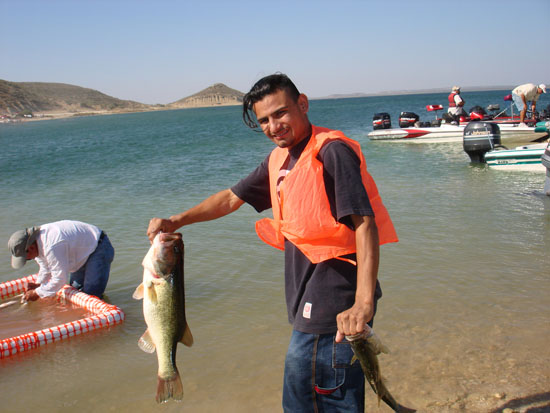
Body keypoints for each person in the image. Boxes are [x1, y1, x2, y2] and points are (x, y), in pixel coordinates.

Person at [147, 73, 398, 412]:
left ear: (303, 104)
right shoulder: (279, 159)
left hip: (334, 300)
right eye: (264, 120)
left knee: (320, 402)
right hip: (306, 296)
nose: (273, 126)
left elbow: (364, 223)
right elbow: (229, 199)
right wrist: (177, 220)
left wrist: (363, 303)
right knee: (305, 401)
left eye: (280, 113)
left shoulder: (332, 152)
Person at [8, 220, 114, 300]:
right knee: (76, 289)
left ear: (30, 248)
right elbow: (46, 268)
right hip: (81, 251)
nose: (29, 259)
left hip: (98, 247)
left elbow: (59, 279)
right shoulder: (37, 244)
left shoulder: (51, 246)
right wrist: (39, 284)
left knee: (92, 293)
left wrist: (37, 293)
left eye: (27, 258)